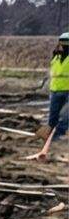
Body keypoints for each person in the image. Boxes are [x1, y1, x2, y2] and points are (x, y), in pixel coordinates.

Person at [34, 31, 69, 162]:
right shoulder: (56, 57)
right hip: (55, 91)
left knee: (65, 116)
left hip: (68, 91)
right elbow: (52, 74)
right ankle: (50, 135)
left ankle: (58, 136)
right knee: (53, 116)